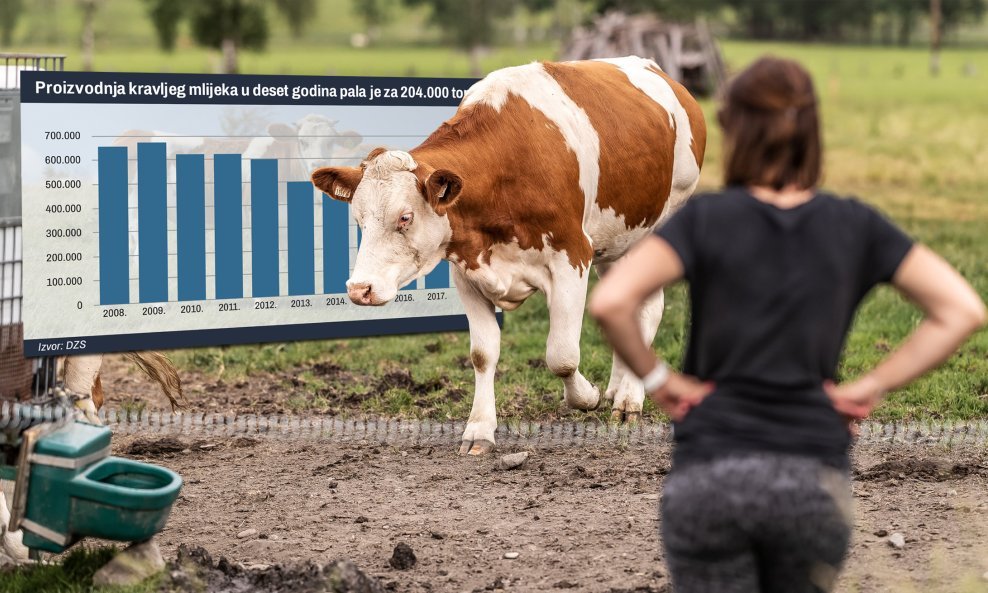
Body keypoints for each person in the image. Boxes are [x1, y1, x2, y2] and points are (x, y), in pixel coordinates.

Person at [589, 56, 986, 593]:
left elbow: (612, 300)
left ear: (736, 130)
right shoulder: (854, 224)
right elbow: (962, 310)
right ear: (812, 129)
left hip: (711, 476)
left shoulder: (708, 220)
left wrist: (660, 382)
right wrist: (868, 387)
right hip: (812, 480)